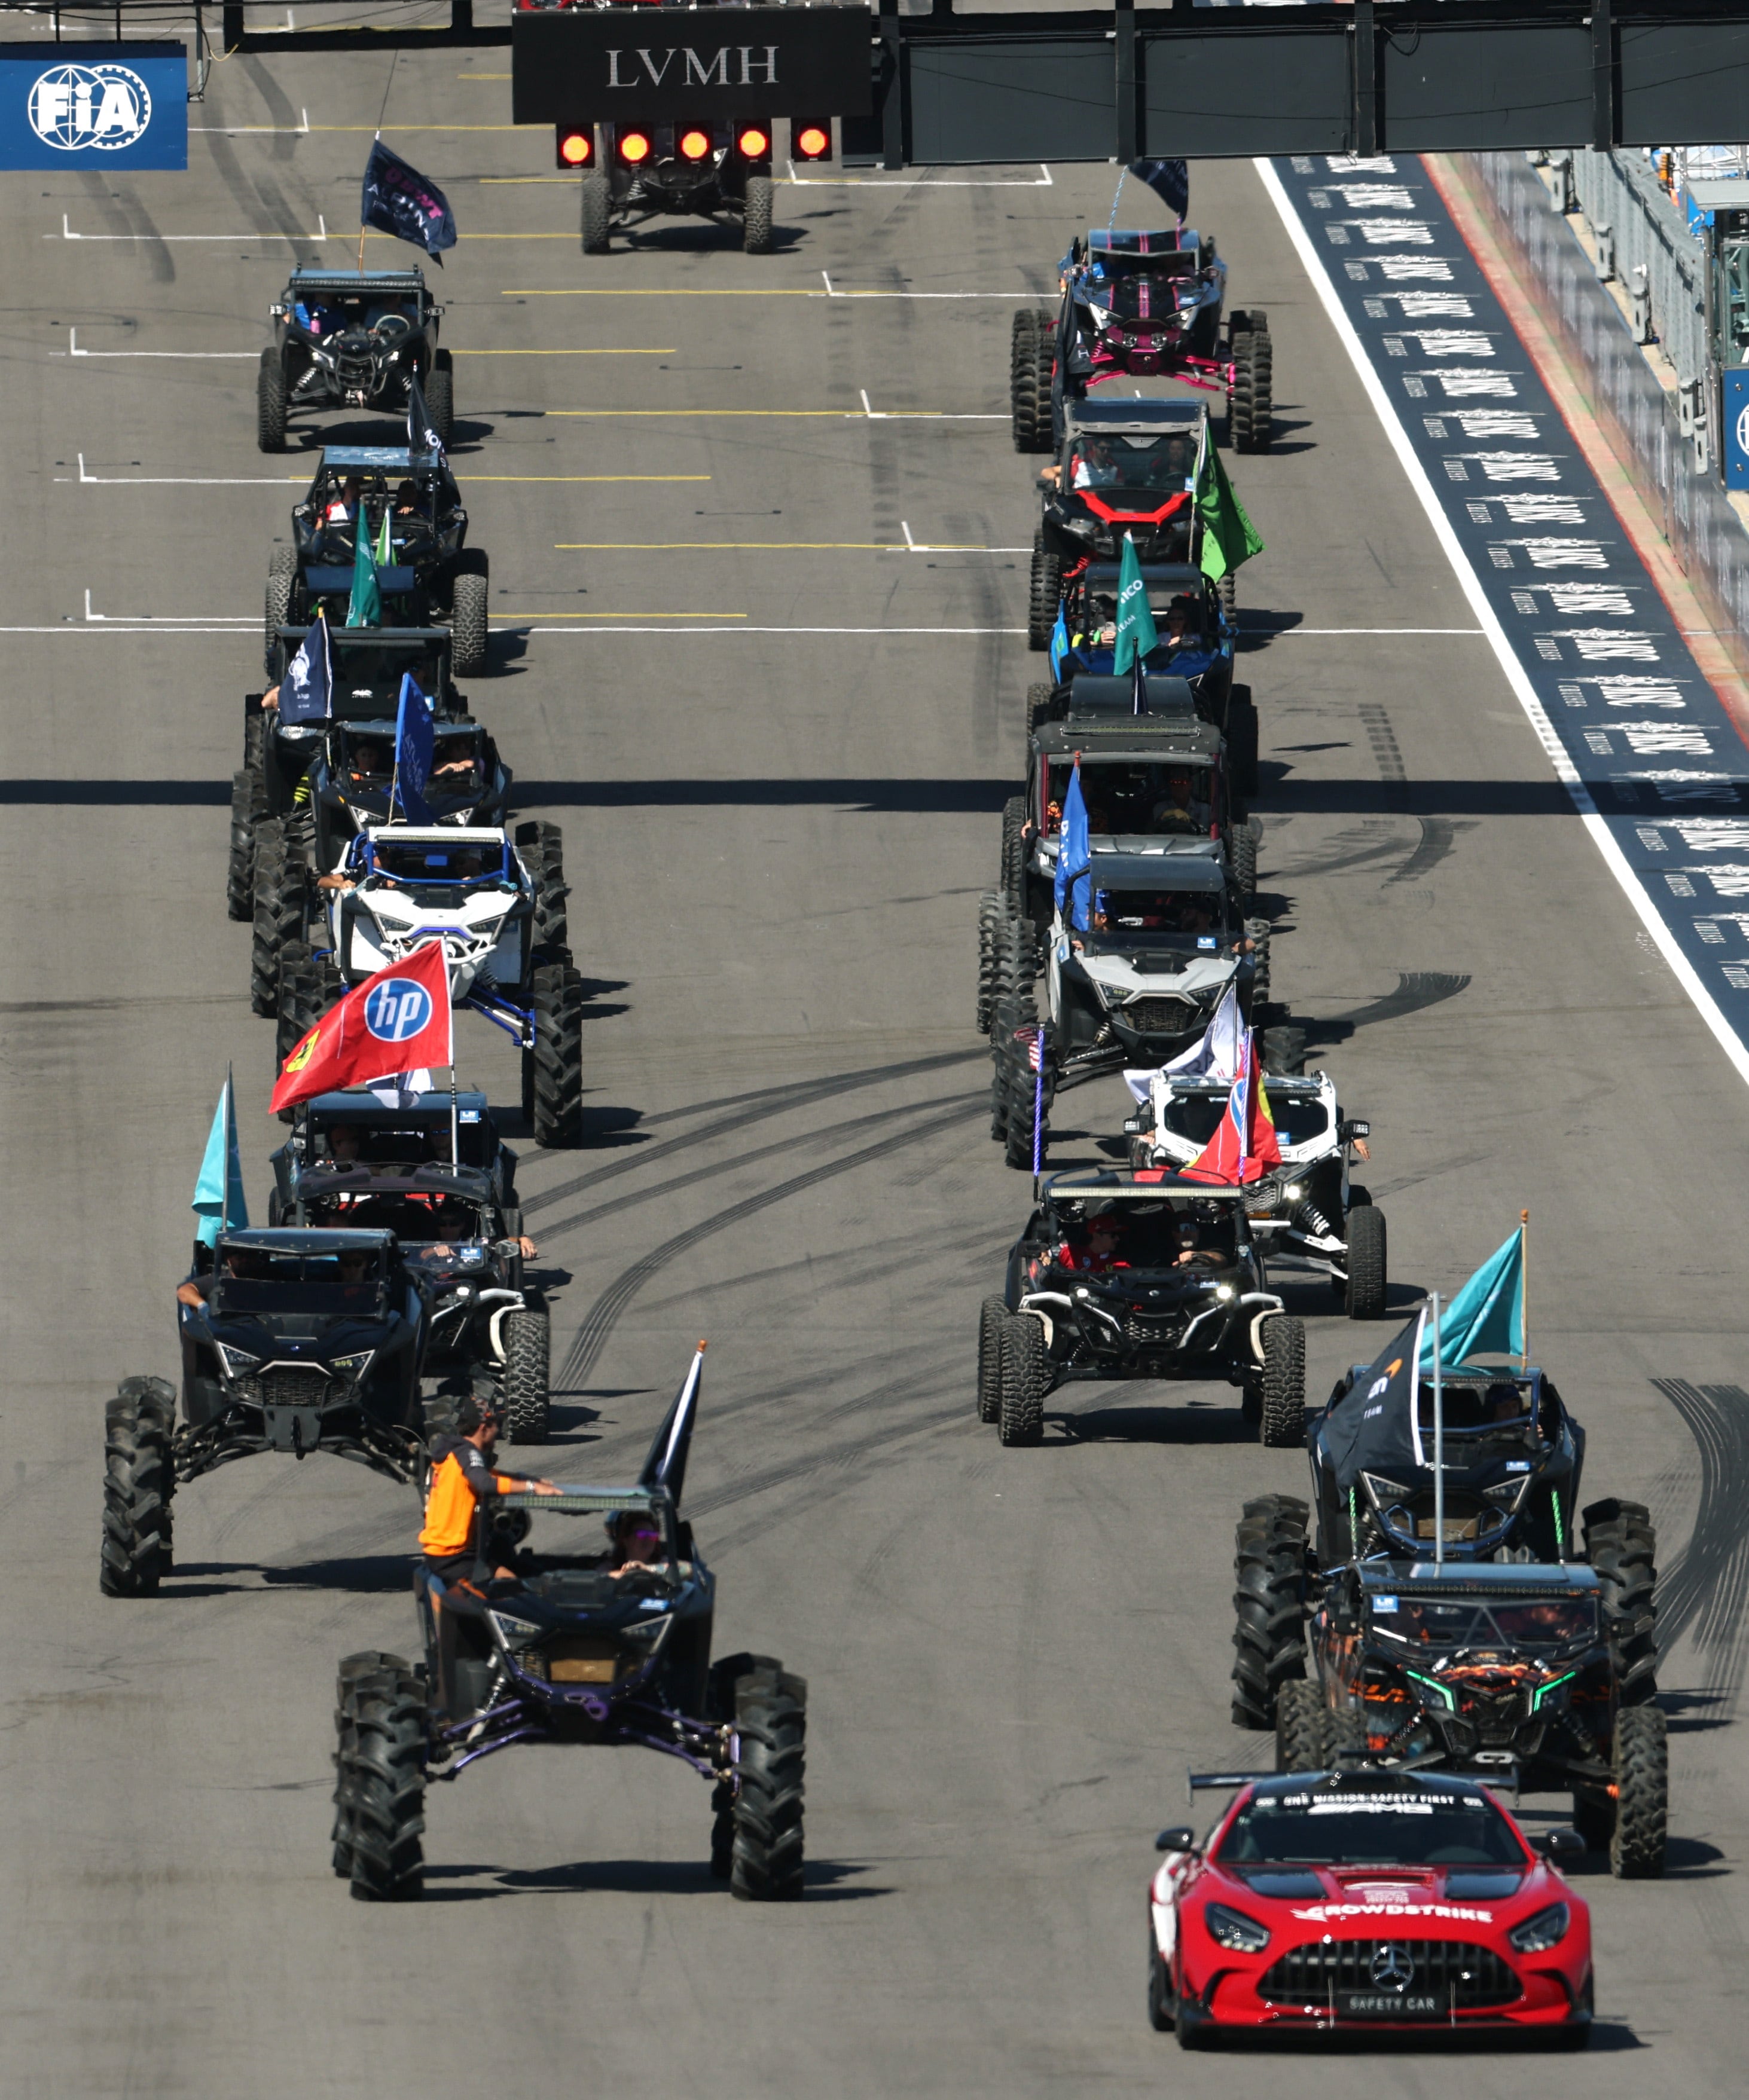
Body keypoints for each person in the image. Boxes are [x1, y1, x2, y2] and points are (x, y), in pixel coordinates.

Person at [420, 1395, 559, 1591]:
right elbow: (485, 1483)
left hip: (449, 1552)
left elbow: (491, 1474)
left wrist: (529, 1480)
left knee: (505, 1568)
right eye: (496, 1425)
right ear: (483, 1427)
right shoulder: (467, 1454)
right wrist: (533, 1488)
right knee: (513, 1589)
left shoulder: (456, 1454)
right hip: (453, 1556)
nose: (498, 1433)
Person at [605, 1509, 666, 1577]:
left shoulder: (663, 1562)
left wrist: (646, 1568)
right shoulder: (609, 1567)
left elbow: (679, 1568)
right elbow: (602, 1577)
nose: (648, 1539)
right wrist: (629, 1573)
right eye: (642, 1534)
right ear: (626, 1540)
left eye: (652, 1535)